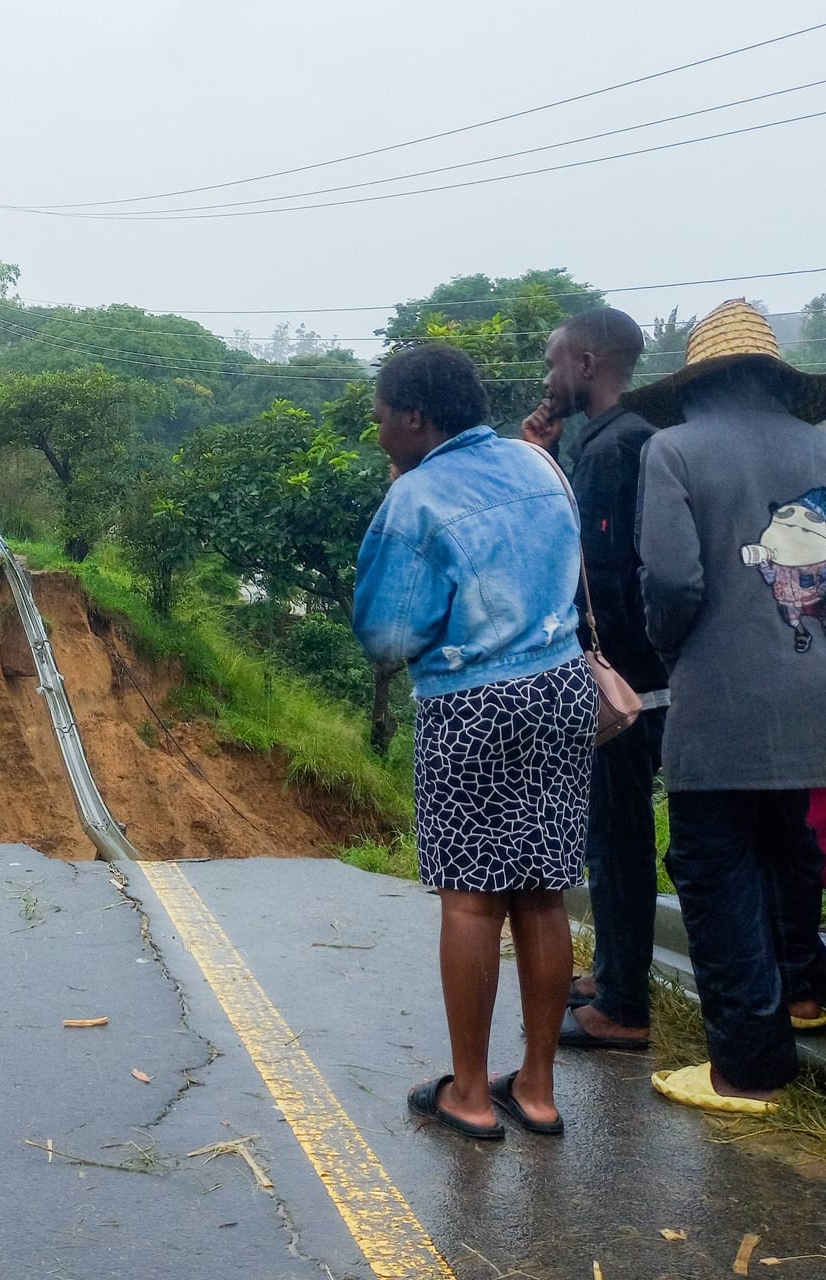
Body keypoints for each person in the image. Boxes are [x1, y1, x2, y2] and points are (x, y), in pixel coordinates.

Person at [353, 343, 594, 1140]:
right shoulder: (538, 467)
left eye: (383, 414)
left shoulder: (416, 497)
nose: (379, 428)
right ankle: (537, 1087)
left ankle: (465, 1093)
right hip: (562, 690)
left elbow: (387, 635)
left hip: (472, 703)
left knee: (471, 896)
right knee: (542, 891)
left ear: (415, 417)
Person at [627, 299, 826, 1113]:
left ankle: (746, 1068)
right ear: (774, 377)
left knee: (717, 873)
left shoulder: (672, 450)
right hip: (814, 697)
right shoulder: (820, 445)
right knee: (791, 859)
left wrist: (678, 649)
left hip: (719, 702)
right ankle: (803, 999)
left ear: (695, 384)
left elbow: (672, 582)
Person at [521, 309, 668, 1053]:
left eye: (553, 363)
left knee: (618, 839)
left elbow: (601, 577)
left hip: (625, 682)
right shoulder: (607, 441)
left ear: (585, 362)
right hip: (638, 677)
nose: (547, 380)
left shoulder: (619, 449)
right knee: (611, 835)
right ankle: (611, 974)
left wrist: (590, 663)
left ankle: (624, 1006)